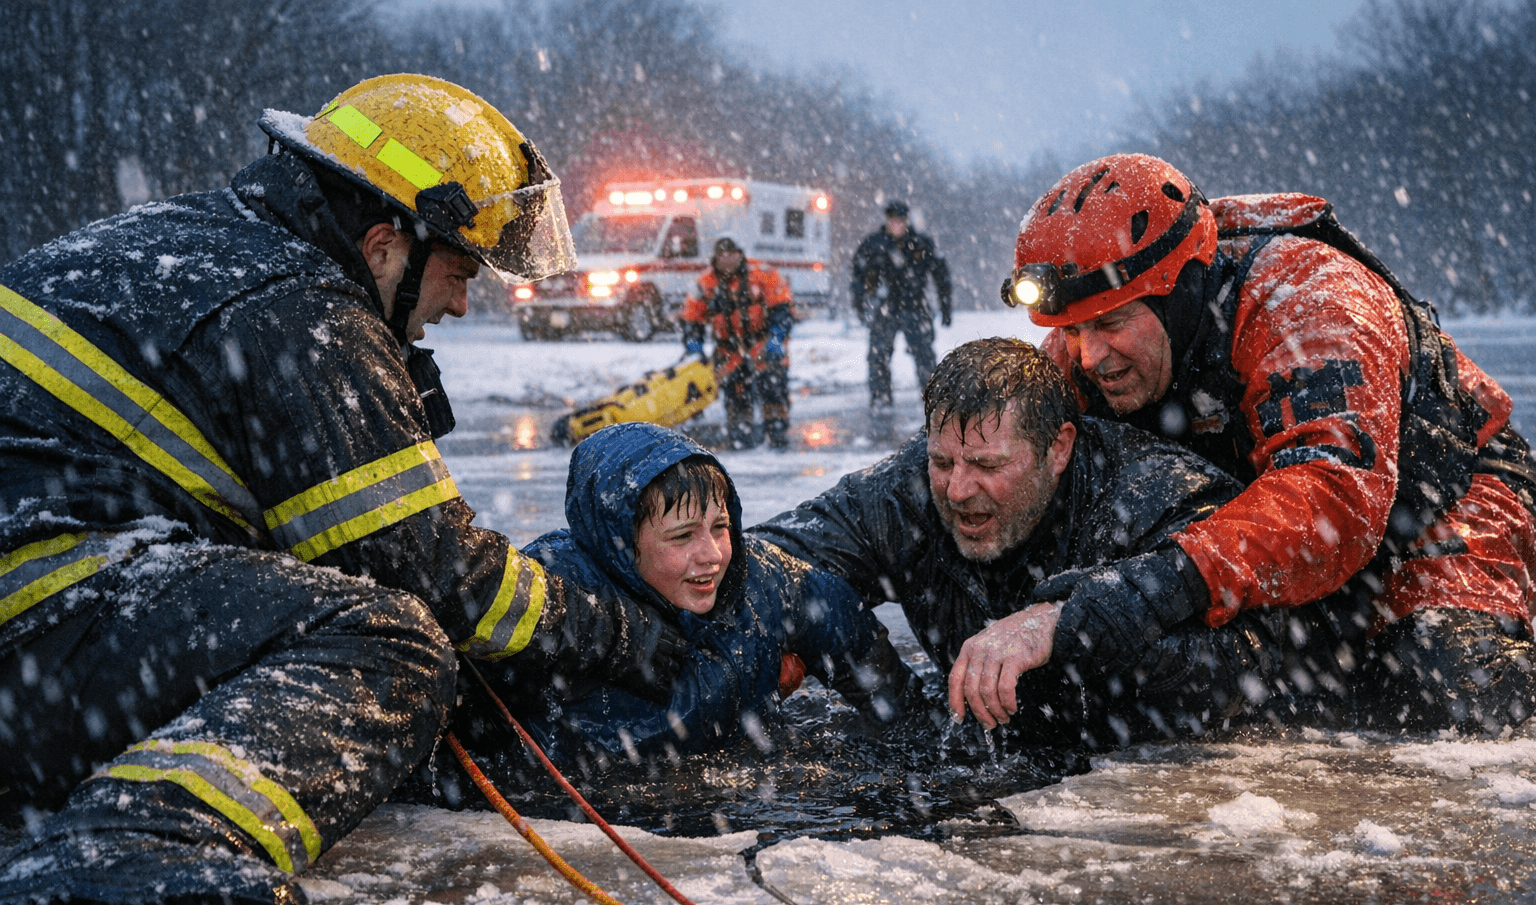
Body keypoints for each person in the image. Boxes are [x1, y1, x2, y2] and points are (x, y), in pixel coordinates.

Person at [0, 74, 687, 905]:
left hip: (43, 600)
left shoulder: (184, 242)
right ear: (384, 244)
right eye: (458, 271)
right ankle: (138, 842)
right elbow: (441, 580)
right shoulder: (303, 313)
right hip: (37, 616)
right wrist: (635, 640)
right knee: (391, 642)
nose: (461, 305)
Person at [1002, 153, 1536, 736]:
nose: (1090, 357)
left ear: (1178, 292)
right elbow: (992, 449)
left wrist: (1157, 585)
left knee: (1449, 692)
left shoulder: (1309, 299)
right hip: (1269, 506)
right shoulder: (1086, 348)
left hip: (1449, 492)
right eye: (1072, 331)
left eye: (1110, 325)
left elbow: (1334, 502)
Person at [753, 338, 1338, 747]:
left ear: (1058, 449)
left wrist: (1073, 631)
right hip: (980, 756)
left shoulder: (1156, 491)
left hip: (1161, 784)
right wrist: (872, 677)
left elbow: (1257, 654)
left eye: (986, 464)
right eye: (942, 461)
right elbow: (768, 556)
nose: (957, 489)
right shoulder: (907, 489)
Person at [453, 422, 909, 777]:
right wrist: (752, 675)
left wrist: (910, 727)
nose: (711, 556)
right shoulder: (555, 594)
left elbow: (851, 634)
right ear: (621, 541)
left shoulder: (760, 579)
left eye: (720, 527)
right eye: (682, 535)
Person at [850, 199, 953, 440]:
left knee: (924, 354)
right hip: (885, 306)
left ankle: (933, 398)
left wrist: (945, 305)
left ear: (906, 221)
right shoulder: (874, 244)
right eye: (892, 220)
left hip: (915, 305)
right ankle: (880, 397)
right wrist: (860, 303)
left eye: (900, 220)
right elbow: (858, 274)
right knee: (878, 354)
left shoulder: (920, 243)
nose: (896, 224)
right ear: (887, 221)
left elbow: (940, 274)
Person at [679, 237, 795, 450]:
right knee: (736, 394)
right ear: (715, 257)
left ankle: (777, 435)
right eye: (722, 255)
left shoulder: (763, 274)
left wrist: (777, 337)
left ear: (740, 254)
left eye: (731, 254)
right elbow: (691, 318)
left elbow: (782, 308)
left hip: (762, 344)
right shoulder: (705, 283)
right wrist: (694, 344)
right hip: (729, 351)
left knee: (773, 389)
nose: (727, 259)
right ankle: (741, 437)